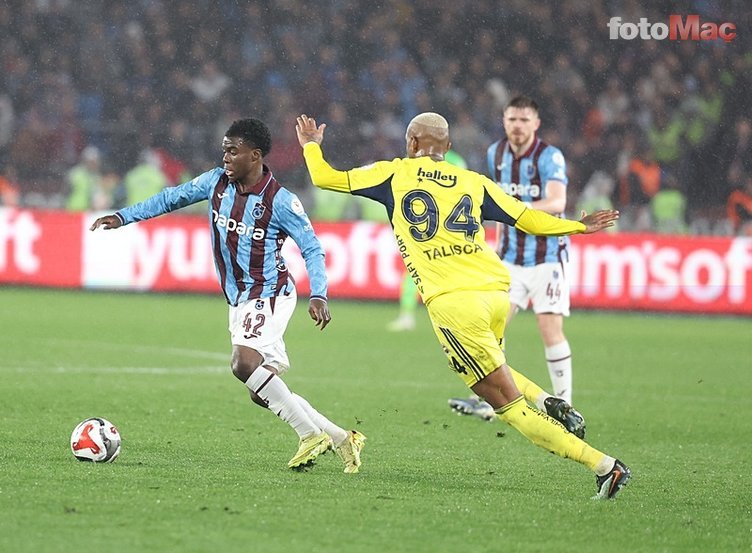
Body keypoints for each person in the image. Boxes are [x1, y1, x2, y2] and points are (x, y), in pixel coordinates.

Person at [296, 112, 630, 499]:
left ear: (412, 143)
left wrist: (311, 146)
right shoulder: (474, 182)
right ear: (448, 148)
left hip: (455, 303)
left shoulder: (393, 174)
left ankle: (604, 466)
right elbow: (528, 219)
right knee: (495, 367)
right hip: (496, 292)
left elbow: (324, 177)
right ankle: (548, 399)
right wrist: (578, 226)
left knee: (507, 405)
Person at [90, 118, 365, 473]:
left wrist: (319, 295)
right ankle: (342, 438)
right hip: (238, 299)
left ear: (255, 156)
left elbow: (311, 248)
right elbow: (171, 198)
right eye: (224, 150)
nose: (226, 157)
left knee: (243, 364)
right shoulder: (216, 182)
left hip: (269, 293)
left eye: (233, 151)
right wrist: (123, 217)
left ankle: (310, 435)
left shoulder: (280, 201)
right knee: (261, 390)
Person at [387, 149, 468, 332]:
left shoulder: (453, 161)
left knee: (428, 272)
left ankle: (455, 317)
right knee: (414, 271)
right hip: (429, 227)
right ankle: (408, 316)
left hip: (443, 228)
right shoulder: (450, 161)